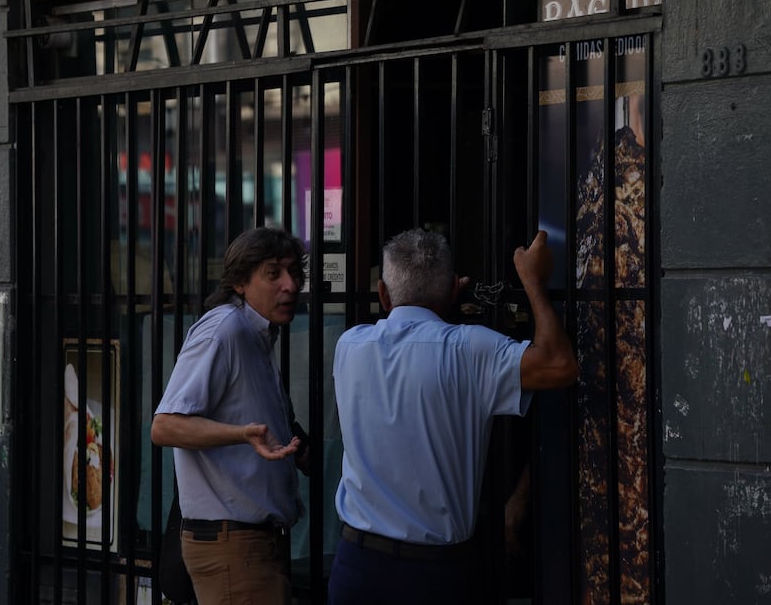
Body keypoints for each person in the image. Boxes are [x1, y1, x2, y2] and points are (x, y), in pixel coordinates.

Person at [328, 228, 579, 604]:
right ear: (452, 291)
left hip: (357, 565)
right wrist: (533, 282)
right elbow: (560, 365)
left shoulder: (349, 346)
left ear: (382, 294)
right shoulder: (470, 350)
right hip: (435, 575)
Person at [151, 226, 310, 605]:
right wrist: (242, 434)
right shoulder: (225, 329)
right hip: (233, 548)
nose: (290, 285)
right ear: (240, 282)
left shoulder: (256, 335)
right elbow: (165, 425)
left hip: (252, 545)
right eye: (273, 274)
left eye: (294, 273)